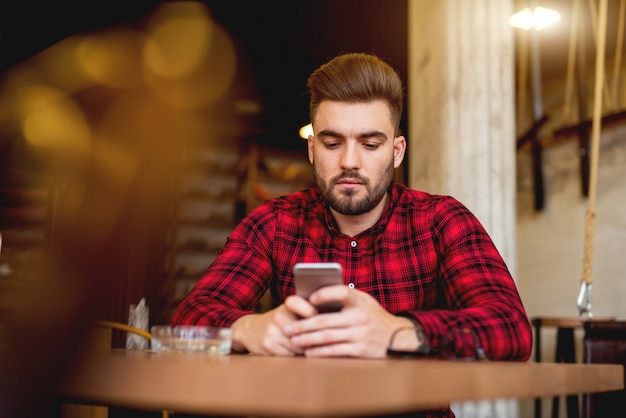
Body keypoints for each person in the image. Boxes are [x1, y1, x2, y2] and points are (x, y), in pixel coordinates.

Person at [172, 51, 532, 366]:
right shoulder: (275, 222)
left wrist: (397, 332)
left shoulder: (441, 220)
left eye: (370, 144)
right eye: (332, 143)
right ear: (312, 150)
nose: (349, 161)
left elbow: (512, 329)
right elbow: (189, 316)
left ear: (397, 151)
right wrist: (249, 328)